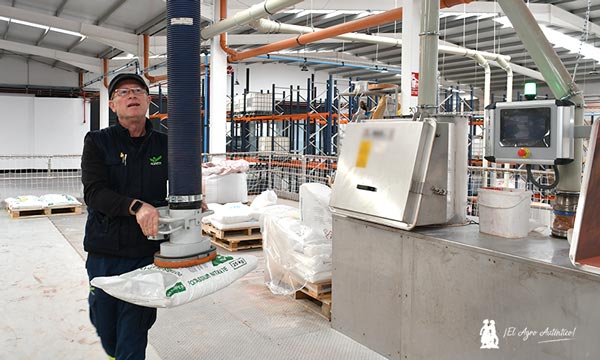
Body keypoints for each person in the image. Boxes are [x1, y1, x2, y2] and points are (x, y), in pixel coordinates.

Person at [81, 72, 168, 360]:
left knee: (135, 327)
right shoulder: (97, 142)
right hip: (104, 250)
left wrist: (194, 198)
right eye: (122, 92)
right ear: (112, 106)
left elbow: (180, 186)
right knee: (105, 323)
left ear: (148, 100)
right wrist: (136, 206)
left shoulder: (164, 144)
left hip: (145, 252)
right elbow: (94, 193)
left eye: (137, 91)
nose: (131, 95)